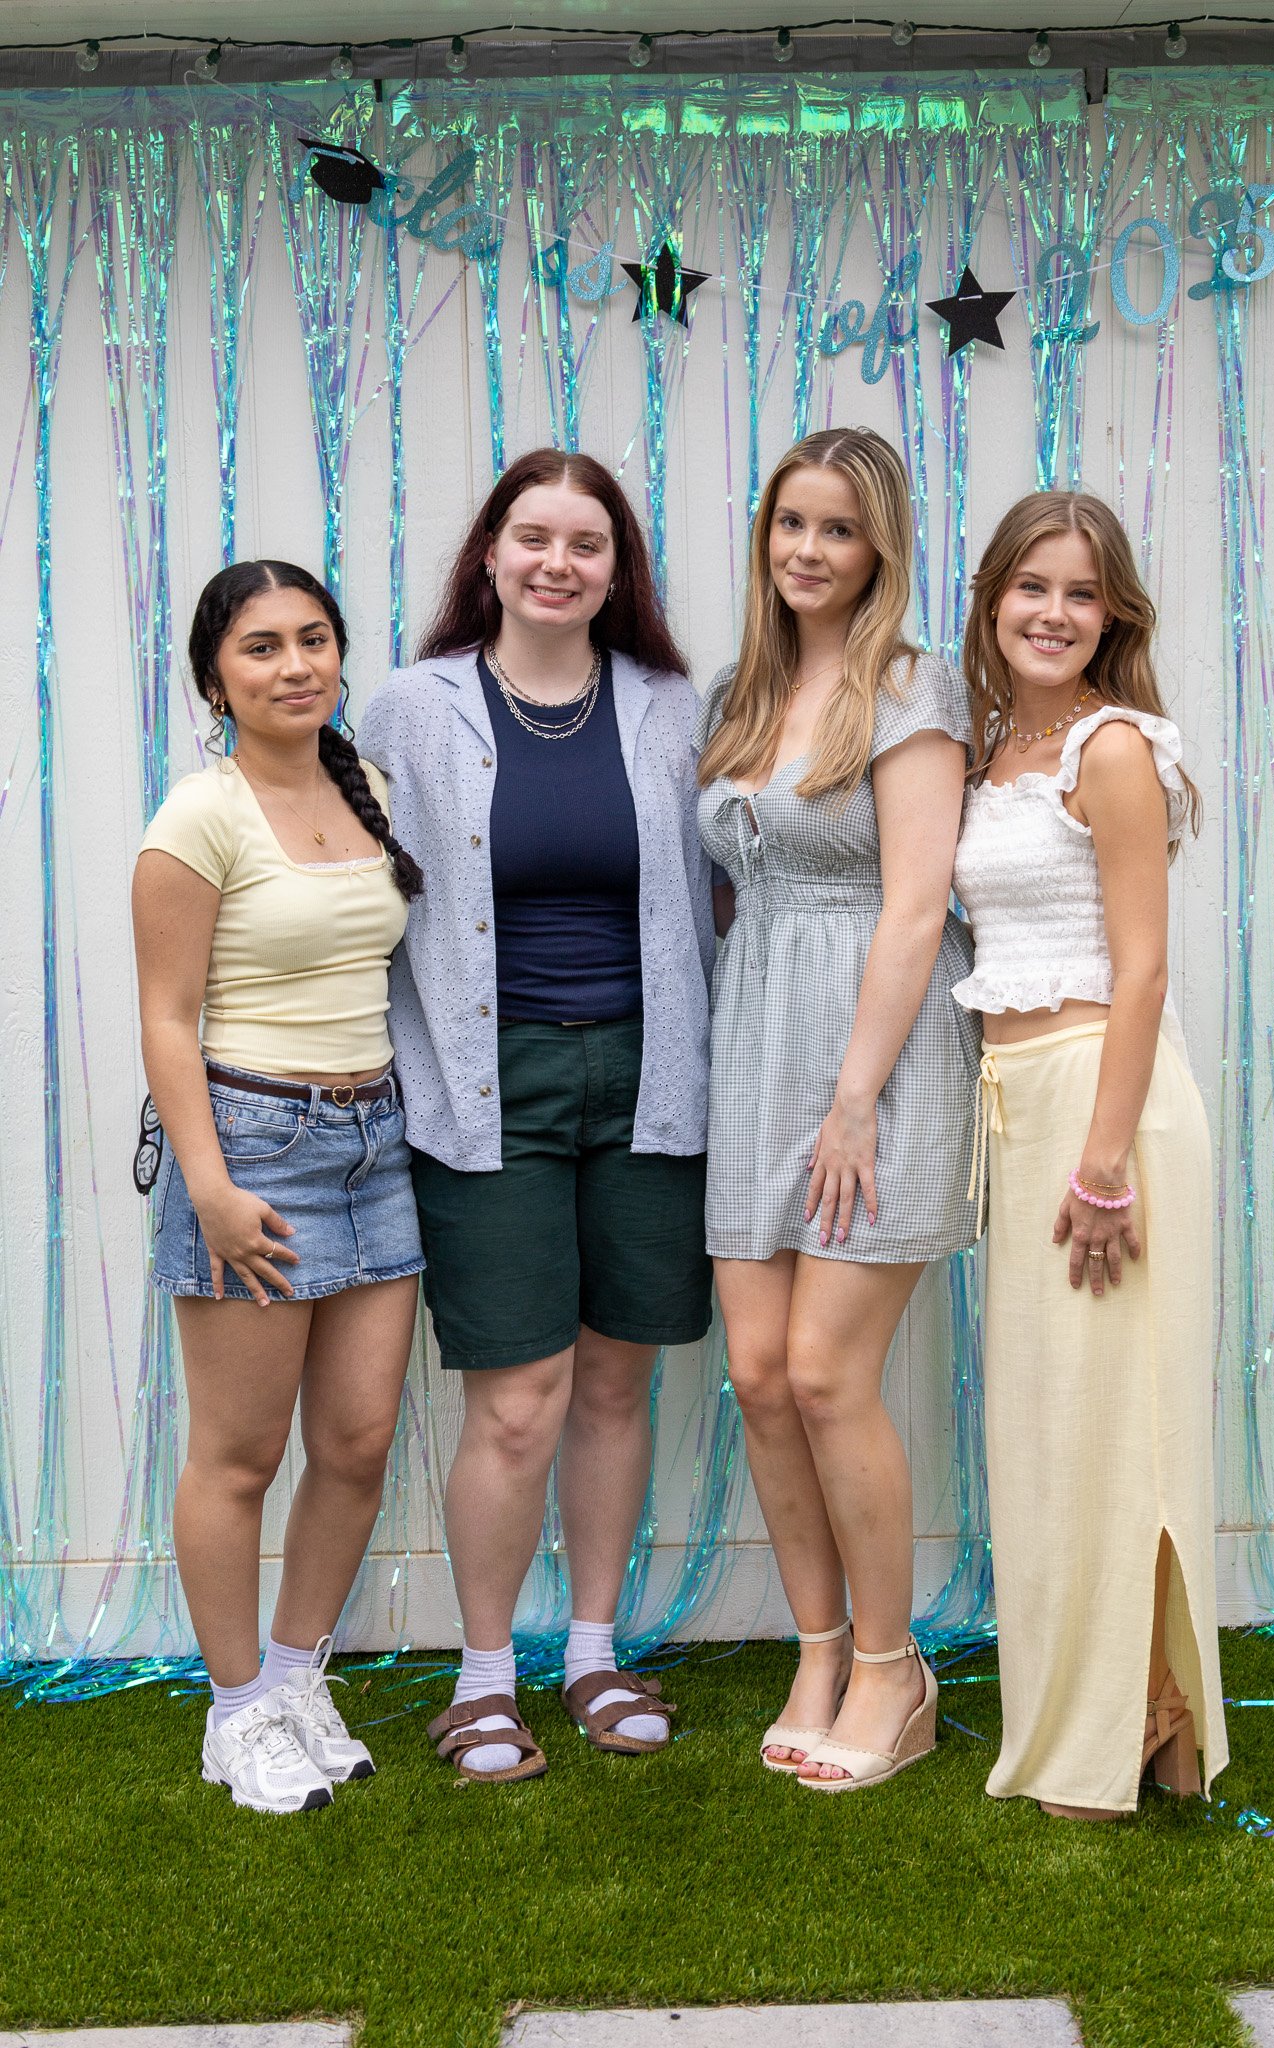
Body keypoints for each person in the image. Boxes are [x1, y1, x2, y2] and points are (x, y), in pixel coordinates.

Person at [357, 449, 713, 1783]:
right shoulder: (412, 709)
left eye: (587, 543)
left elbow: (716, 888)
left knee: (618, 1374)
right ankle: (486, 1671)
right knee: (519, 1397)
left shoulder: (671, 707)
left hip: (653, 1075)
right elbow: (354, 884)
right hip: (480, 1084)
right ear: (490, 555)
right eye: (533, 538)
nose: (557, 563)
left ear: (618, 571)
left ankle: (594, 1650)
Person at [695, 426, 981, 1792]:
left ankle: (890, 1667)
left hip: (875, 1054)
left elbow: (918, 905)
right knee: (757, 1374)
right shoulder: (743, 693)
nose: (808, 550)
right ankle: (815, 1648)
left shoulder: (912, 690)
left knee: (826, 1374)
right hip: (752, 1045)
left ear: (881, 551)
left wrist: (855, 1099)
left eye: (839, 531)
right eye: (790, 524)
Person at [952, 490, 1229, 1818]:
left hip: (1104, 1111)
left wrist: (1105, 1159)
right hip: (1019, 1100)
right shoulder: (997, 748)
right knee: (1056, 1433)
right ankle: (1129, 1725)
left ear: (1111, 611)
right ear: (993, 600)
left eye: (1079, 592)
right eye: (1030, 588)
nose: (1052, 613)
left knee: (1119, 1431)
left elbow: (1145, 965)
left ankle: (1135, 1725)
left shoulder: (1109, 749)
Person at [134, 561, 425, 1815]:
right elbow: (165, 1014)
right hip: (255, 1144)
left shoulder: (365, 795)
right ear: (216, 679)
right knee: (240, 1455)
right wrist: (208, 1182)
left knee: (356, 1444)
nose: (295, 664)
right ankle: (239, 1707)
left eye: (314, 639)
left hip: (377, 1141)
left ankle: (300, 1675)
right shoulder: (197, 814)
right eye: (261, 648)